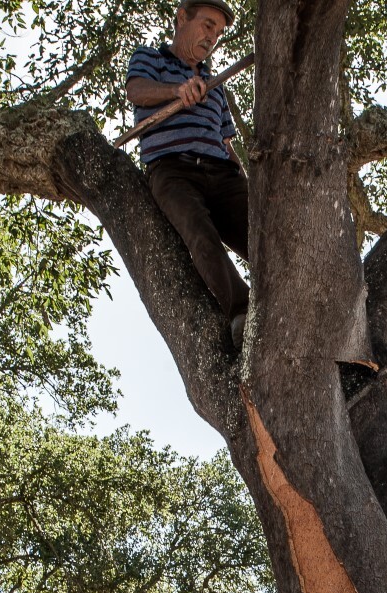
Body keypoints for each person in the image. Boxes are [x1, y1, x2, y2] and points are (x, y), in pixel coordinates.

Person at [126, 0, 250, 345]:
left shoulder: (215, 85)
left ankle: (295, 299)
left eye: (219, 32)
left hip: (223, 174)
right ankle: (243, 310)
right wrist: (175, 91)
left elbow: (225, 142)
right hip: (173, 170)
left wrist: (244, 179)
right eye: (208, 25)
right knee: (200, 235)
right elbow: (135, 90)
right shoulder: (150, 58)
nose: (212, 37)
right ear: (183, 18)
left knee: (264, 236)